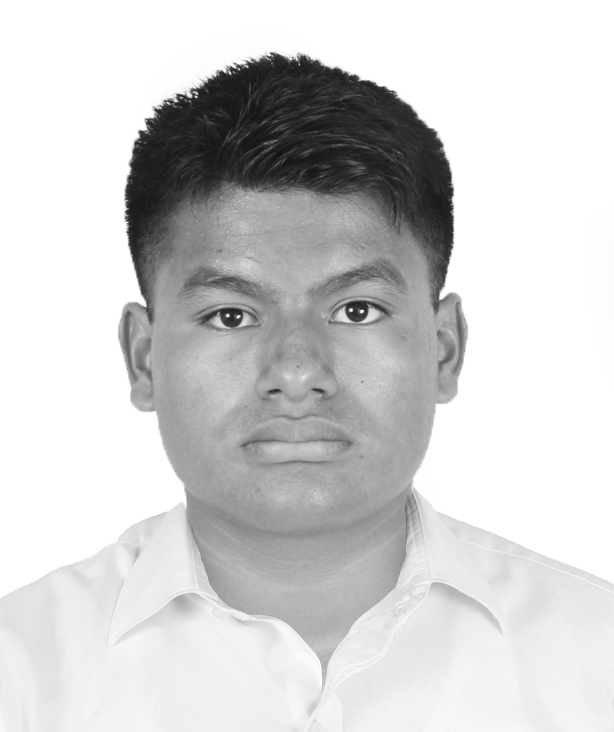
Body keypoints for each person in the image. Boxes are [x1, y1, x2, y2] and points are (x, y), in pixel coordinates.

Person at [0, 52, 612, 732]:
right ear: (143, 358)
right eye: (230, 315)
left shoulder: (598, 659)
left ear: (445, 347)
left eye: (356, 310)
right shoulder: (20, 674)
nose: (296, 372)